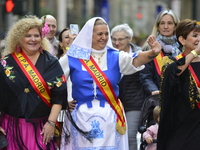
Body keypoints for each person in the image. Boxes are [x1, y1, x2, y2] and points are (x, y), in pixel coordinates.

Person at [59, 17, 162, 149]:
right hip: (80, 117)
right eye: (99, 34)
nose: (104, 37)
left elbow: (135, 60)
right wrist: (63, 102)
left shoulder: (115, 55)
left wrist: (153, 52)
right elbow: (54, 80)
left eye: (106, 33)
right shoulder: (72, 57)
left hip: (109, 115)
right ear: (89, 35)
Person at [0, 15, 88, 150]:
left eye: (36, 35)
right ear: (18, 38)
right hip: (10, 127)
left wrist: (51, 123)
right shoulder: (6, 62)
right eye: (28, 35)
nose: (33, 39)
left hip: (42, 127)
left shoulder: (51, 62)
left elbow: (59, 96)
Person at [157, 19, 200, 150]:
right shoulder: (171, 61)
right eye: (195, 35)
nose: (199, 39)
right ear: (182, 40)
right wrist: (194, 53)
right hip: (182, 124)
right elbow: (175, 72)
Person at [111, 23, 145, 150]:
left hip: (134, 103)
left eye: (120, 39)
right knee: (114, 136)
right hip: (113, 102)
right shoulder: (109, 54)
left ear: (129, 39)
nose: (116, 42)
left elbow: (144, 77)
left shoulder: (138, 54)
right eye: (114, 39)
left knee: (130, 136)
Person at [140, 9, 181, 98]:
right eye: (162, 23)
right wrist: (154, 90)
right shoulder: (149, 47)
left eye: (169, 23)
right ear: (158, 26)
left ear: (175, 26)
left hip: (180, 97)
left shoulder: (183, 47)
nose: (165, 26)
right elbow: (145, 76)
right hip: (157, 98)